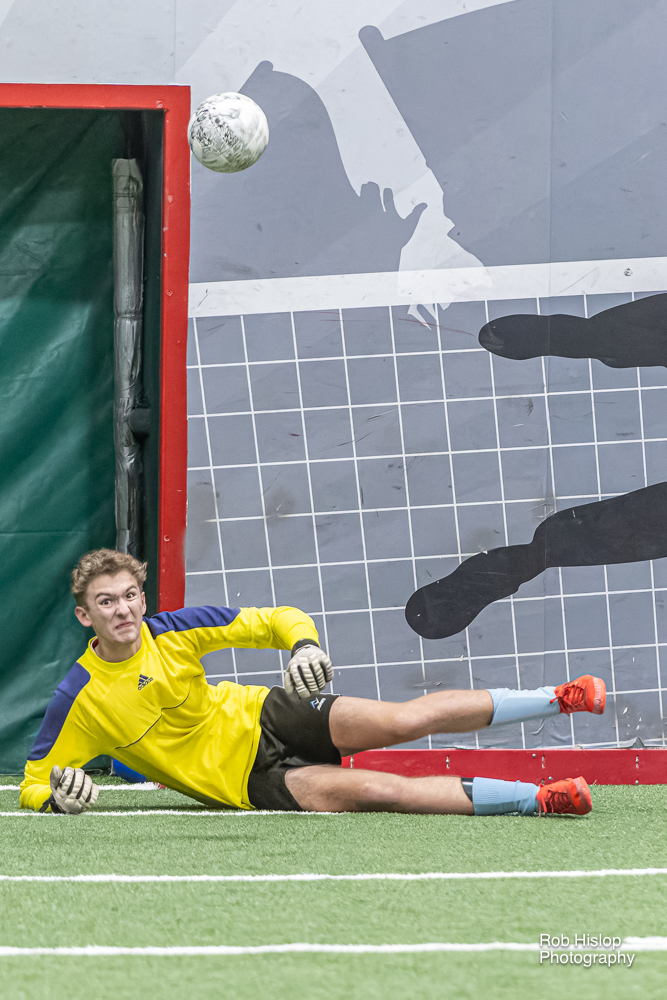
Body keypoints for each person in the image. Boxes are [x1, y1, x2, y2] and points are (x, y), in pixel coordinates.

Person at [21, 549, 605, 819]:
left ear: (142, 599)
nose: (123, 610)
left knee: (406, 720)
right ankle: (540, 799)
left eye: (129, 596)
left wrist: (304, 645)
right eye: (106, 602)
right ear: (84, 616)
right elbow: (33, 782)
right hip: (247, 783)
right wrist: (56, 797)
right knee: (382, 792)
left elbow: (279, 618)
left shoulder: (175, 630)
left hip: (268, 714)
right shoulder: (78, 698)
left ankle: (560, 697)